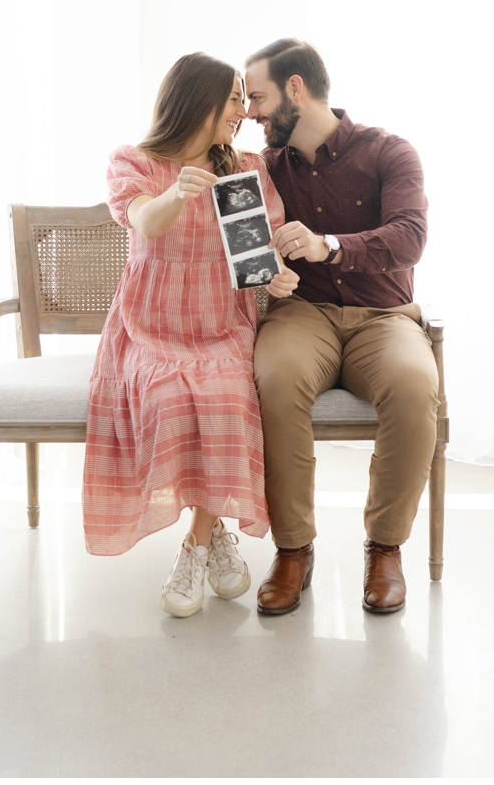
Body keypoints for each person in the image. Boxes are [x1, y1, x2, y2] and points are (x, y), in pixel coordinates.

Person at [84, 52, 300, 617]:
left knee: (229, 397)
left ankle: (196, 544)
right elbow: (143, 223)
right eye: (232, 98)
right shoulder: (135, 162)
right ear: (195, 100)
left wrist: (275, 274)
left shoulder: (242, 168)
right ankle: (217, 536)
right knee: (167, 398)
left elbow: (257, 257)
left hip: (221, 323)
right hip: (149, 326)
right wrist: (177, 193)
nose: (242, 111)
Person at [243, 39, 440, 616]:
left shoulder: (390, 152)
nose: (251, 112)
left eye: (257, 97)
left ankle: (385, 548)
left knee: (412, 386)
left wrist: (328, 246)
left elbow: (410, 238)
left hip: (385, 317)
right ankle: (293, 551)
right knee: (275, 379)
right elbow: (243, 249)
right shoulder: (264, 170)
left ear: (295, 89)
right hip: (302, 314)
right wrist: (263, 273)